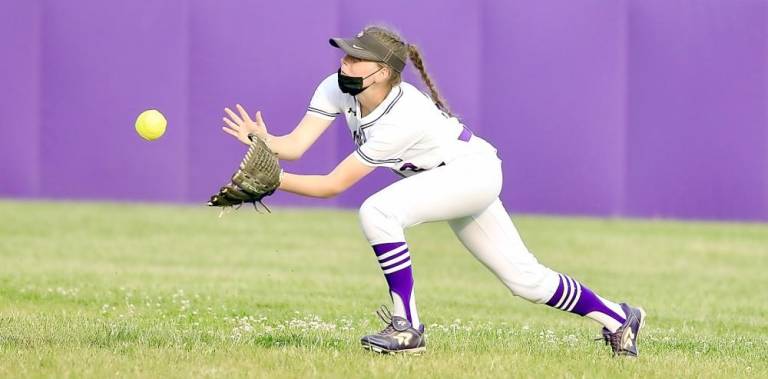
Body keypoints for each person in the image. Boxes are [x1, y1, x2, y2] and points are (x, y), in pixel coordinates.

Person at [221, 25, 646, 356]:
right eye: (346, 55)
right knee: (525, 280)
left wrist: (273, 182)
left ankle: (407, 327)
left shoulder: (401, 117)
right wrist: (265, 141)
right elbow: (294, 146)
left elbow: (333, 185)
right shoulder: (336, 87)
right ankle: (619, 318)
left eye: (356, 58)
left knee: (378, 212)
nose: (345, 63)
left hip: (471, 172)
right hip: (446, 178)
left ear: (383, 72)